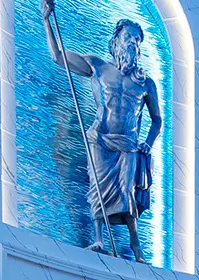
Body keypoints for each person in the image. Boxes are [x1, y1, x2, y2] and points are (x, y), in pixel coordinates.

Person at [42, 2, 163, 262]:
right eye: (129, 37)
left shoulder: (145, 83)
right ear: (116, 41)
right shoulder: (98, 67)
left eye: (137, 40)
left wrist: (148, 143)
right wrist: (47, 21)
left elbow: (157, 120)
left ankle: (135, 246)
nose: (133, 43)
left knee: (127, 192)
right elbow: (58, 57)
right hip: (100, 139)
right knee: (98, 189)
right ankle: (98, 239)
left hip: (128, 144)